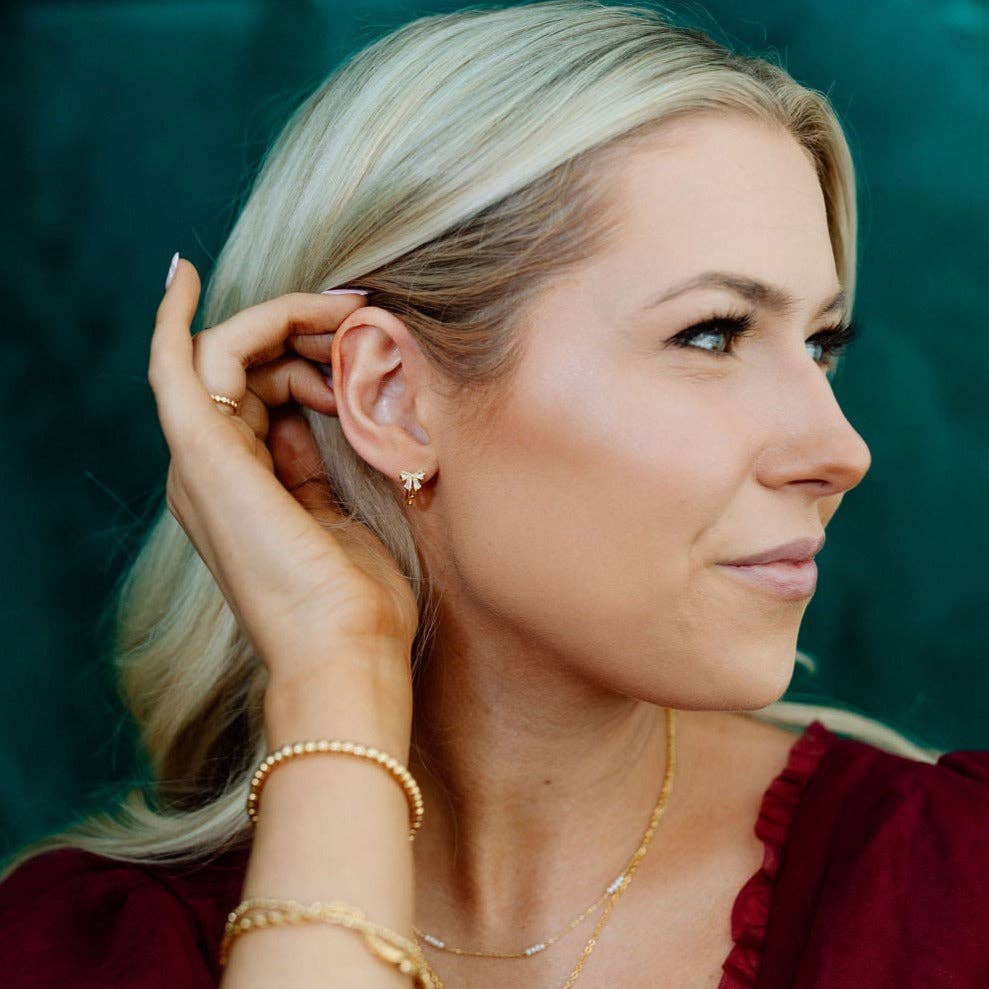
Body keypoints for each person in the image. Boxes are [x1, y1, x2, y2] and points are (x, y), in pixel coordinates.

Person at [1, 2, 986, 986]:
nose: (838, 448)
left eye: (818, 346)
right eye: (712, 333)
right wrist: (335, 668)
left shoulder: (952, 885)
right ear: (390, 397)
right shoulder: (74, 953)